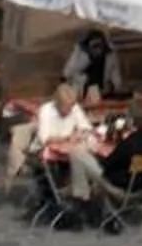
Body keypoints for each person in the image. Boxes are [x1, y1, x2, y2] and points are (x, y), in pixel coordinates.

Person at [35, 77, 102, 209]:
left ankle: (83, 196)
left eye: (71, 107)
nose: (70, 111)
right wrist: (67, 138)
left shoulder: (74, 108)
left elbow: (86, 127)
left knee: (84, 156)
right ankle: (79, 197)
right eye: (67, 108)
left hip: (69, 151)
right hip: (47, 155)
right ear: (58, 104)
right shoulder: (46, 111)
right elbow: (45, 138)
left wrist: (81, 133)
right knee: (80, 158)